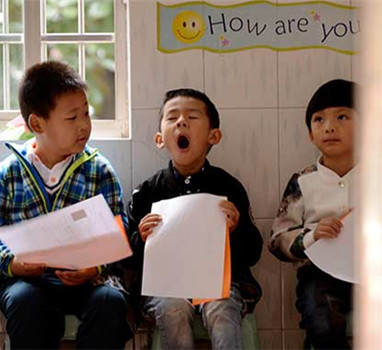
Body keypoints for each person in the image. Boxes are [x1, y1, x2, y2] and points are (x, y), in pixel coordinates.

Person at [0, 61, 132, 349]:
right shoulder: (9, 172)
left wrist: (96, 267)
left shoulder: (99, 170)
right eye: (72, 118)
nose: (84, 125)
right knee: (25, 304)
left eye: (86, 113)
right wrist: (12, 263)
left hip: (88, 280)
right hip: (28, 282)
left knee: (111, 303)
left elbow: (120, 228)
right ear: (37, 124)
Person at [126, 88, 263, 350]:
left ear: (214, 135)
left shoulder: (228, 188)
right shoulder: (148, 192)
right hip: (166, 287)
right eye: (172, 117)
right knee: (172, 308)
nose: (181, 121)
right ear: (159, 139)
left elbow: (254, 252)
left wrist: (237, 228)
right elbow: (128, 259)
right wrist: (140, 238)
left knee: (220, 308)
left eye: (192, 116)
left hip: (220, 284)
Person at [269, 79, 357, 350]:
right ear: (310, 134)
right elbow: (277, 240)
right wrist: (310, 236)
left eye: (342, 116)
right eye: (319, 120)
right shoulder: (303, 181)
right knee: (321, 319)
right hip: (320, 276)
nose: (329, 127)